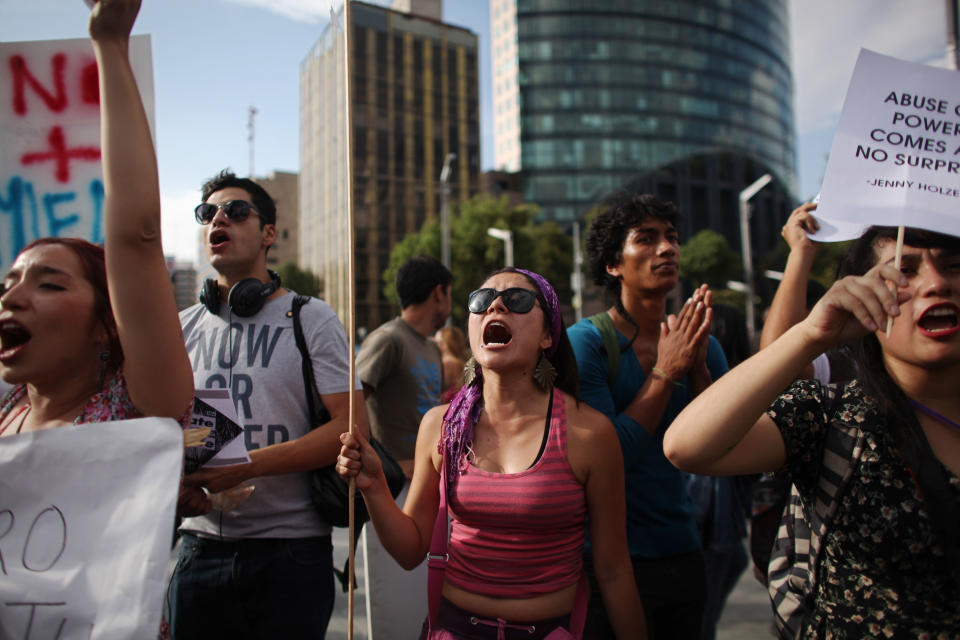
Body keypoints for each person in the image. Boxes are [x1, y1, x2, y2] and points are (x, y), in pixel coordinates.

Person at [664, 225, 960, 637]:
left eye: (953, 267)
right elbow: (687, 446)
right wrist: (810, 334)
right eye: (903, 272)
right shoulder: (830, 413)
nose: (936, 284)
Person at [338, 268, 646, 639]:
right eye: (481, 301)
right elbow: (410, 551)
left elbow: (613, 571)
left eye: (517, 300)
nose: (496, 305)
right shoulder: (440, 426)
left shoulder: (590, 433)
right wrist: (373, 486)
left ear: (549, 335)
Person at [168, 167, 367, 639]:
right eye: (207, 213)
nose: (220, 219)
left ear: (268, 234)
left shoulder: (311, 318)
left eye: (236, 211)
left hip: (292, 552)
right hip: (199, 549)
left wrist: (247, 466)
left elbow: (352, 429)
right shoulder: (180, 329)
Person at [1, 0, 193, 437]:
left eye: (49, 283)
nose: (10, 300)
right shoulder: (8, 409)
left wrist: (109, 43)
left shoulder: (139, 412)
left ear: (107, 326)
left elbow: (137, 236)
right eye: (6, 286)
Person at [566, 191, 727, 639]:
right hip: (602, 562)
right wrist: (666, 371)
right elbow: (610, 456)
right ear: (613, 264)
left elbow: (718, 451)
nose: (667, 248)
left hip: (681, 551)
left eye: (672, 238)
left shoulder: (703, 343)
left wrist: (697, 374)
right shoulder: (586, 345)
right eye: (647, 238)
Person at [354, 254, 452, 638]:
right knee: (392, 608)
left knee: (420, 606)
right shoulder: (388, 338)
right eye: (450, 295)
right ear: (438, 293)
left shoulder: (428, 347)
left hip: (427, 488)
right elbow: (351, 402)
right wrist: (386, 462)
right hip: (391, 490)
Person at [435, 325, 470, 401]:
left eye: (437, 341)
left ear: (445, 343)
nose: (434, 344)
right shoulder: (464, 361)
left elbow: (437, 389)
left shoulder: (448, 363)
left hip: (447, 406)